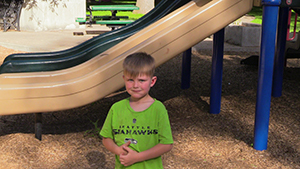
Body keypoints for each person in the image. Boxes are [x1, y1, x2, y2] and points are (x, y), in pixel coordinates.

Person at [100, 52, 173, 168]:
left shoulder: (158, 109)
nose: (135, 85)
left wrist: (137, 157)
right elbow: (106, 138)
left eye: (141, 80)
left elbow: (166, 144)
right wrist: (118, 150)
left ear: (152, 81)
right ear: (124, 79)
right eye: (130, 80)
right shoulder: (116, 108)